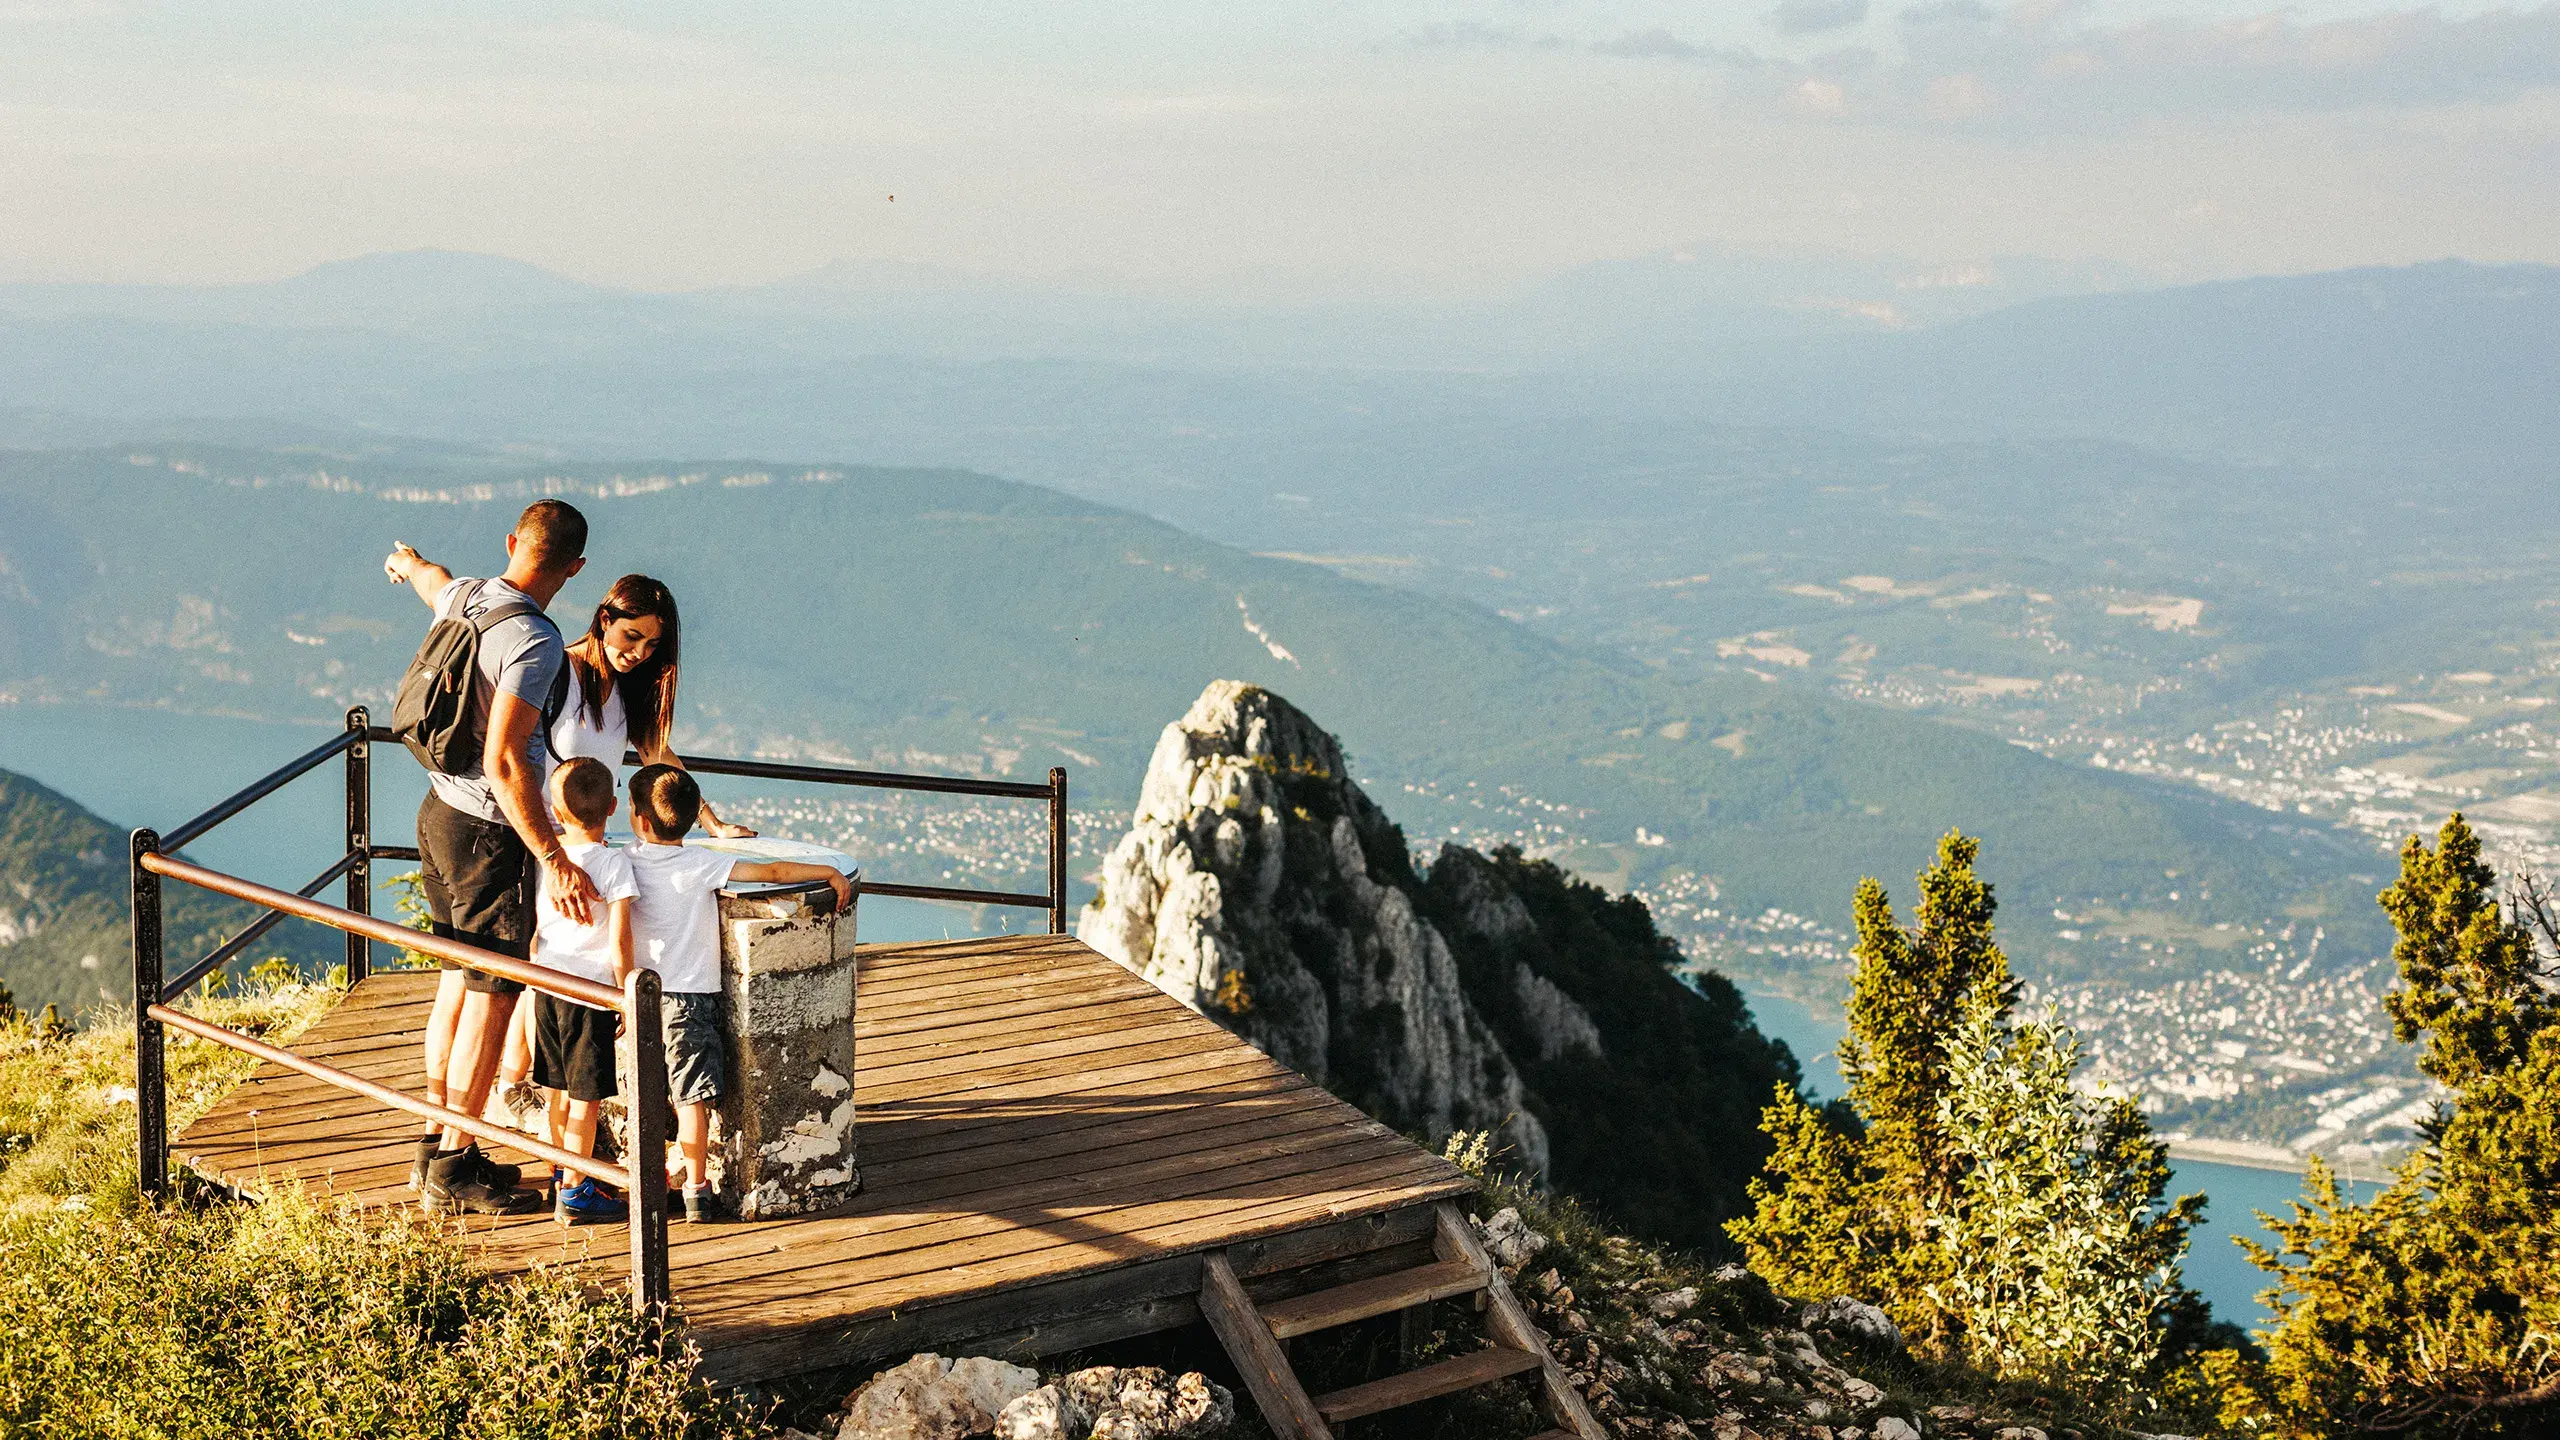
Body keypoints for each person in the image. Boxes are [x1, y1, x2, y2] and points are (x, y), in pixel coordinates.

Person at [383, 502, 603, 1216]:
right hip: (486, 833)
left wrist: (407, 561)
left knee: (457, 981)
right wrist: (555, 856)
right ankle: (453, 1168)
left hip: (436, 813)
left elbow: (431, 580)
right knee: (493, 993)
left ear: (514, 543)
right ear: (574, 568)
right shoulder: (536, 642)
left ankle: (442, 1143)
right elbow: (506, 761)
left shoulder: (472, 593)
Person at [490, 573, 757, 1129]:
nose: (638, 653)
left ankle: (530, 1093)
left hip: (586, 850)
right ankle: (512, 1089)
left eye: (652, 645)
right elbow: (513, 752)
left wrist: (709, 821)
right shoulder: (556, 670)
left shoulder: (624, 688)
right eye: (631, 636)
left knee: (556, 968)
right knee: (538, 967)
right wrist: (550, 856)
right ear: (604, 618)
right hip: (549, 848)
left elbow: (657, 753)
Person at [625, 763, 852, 1224]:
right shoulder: (702, 862)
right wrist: (827, 871)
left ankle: (645, 1182)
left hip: (641, 997)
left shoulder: (623, 862)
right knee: (691, 1097)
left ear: (638, 819)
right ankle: (696, 1190)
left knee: (644, 1093)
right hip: (692, 1000)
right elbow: (771, 869)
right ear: (690, 819)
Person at [527, 757, 640, 1227]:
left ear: (555, 810)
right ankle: (576, 1190)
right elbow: (620, 940)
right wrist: (626, 996)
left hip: (549, 985)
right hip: (589, 995)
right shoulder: (613, 863)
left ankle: (561, 1170)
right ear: (613, 807)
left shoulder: (550, 860)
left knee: (556, 1088)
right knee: (586, 1098)